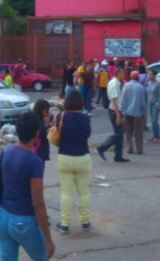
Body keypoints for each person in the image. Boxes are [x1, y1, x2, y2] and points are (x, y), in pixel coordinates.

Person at [0, 113, 55, 261]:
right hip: (23, 221)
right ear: (37, 133)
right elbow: (38, 204)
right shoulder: (34, 161)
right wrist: (48, 239)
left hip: (2, 217)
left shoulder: (6, 151)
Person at [56, 90, 92, 234]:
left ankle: (65, 224)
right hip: (82, 158)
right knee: (83, 193)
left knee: (66, 193)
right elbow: (87, 135)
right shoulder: (85, 118)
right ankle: (85, 221)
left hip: (64, 158)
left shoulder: (61, 116)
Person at [96, 68, 130, 163]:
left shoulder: (115, 82)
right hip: (114, 111)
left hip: (115, 110)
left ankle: (118, 155)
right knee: (118, 133)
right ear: (118, 73)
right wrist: (118, 115)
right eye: (123, 73)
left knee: (119, 133)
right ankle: (102, 147)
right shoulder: (115, 84)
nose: (124, 75)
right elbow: (114, 101)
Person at [121, 71, 147, 155]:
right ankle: (139, 149)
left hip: (127, 112)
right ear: (138, 78)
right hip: (137, 113)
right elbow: (143, 102)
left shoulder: (126, 86)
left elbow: (123, 100)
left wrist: (123, 110)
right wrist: (144, 112)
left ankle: (129, 148)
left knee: (128, 131)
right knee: (138, 132)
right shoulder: (140, 87)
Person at [33, 99, 51, 170]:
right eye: (47, 111)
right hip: (38, 152)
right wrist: (49, 124)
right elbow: (46, 135)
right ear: (43, 110)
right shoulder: (38, 121)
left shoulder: (35, 117)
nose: (48, 113)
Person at [147, 70, 160, 143]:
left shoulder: (158, 84)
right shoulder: (149, 83)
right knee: (152, 120)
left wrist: (159, 105)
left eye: (150, 74)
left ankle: (157, 136)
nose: (149, 76)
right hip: (150, 103)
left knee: (155, 121)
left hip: (155, 104)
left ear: (154, 75)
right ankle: (153, 135)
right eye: (148, 74)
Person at [138, 64, 150, 131]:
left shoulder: (138, 76)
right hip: (145, 93)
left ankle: (139, 124)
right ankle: (144, 125)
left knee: (138, 109)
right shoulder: (147, 76)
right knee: (144, 109)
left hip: (139, 93)